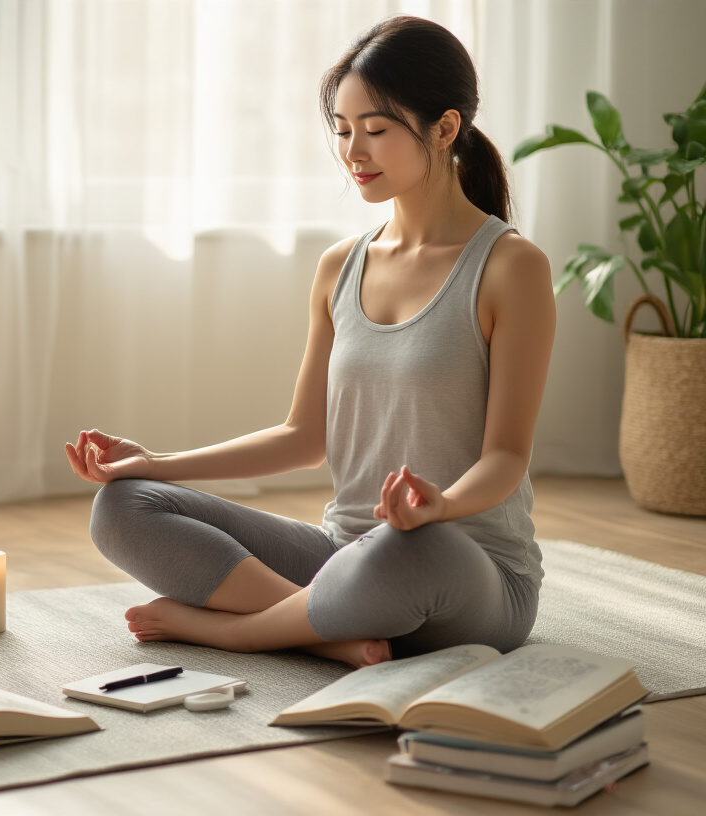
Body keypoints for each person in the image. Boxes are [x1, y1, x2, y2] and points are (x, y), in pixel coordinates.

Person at [63, 16, 555, 669]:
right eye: (343, 130)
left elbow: (507, 456)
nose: (354, 153)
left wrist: (442, 505)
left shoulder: (511, 267)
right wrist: (155, 463)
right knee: (122, 507)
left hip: (465, 572)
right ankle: (325, 627)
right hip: (345, 556)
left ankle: (240, 631)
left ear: (444, 129)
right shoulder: (339, 266)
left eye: (376, 130)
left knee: (409, 548)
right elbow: (303, 436)